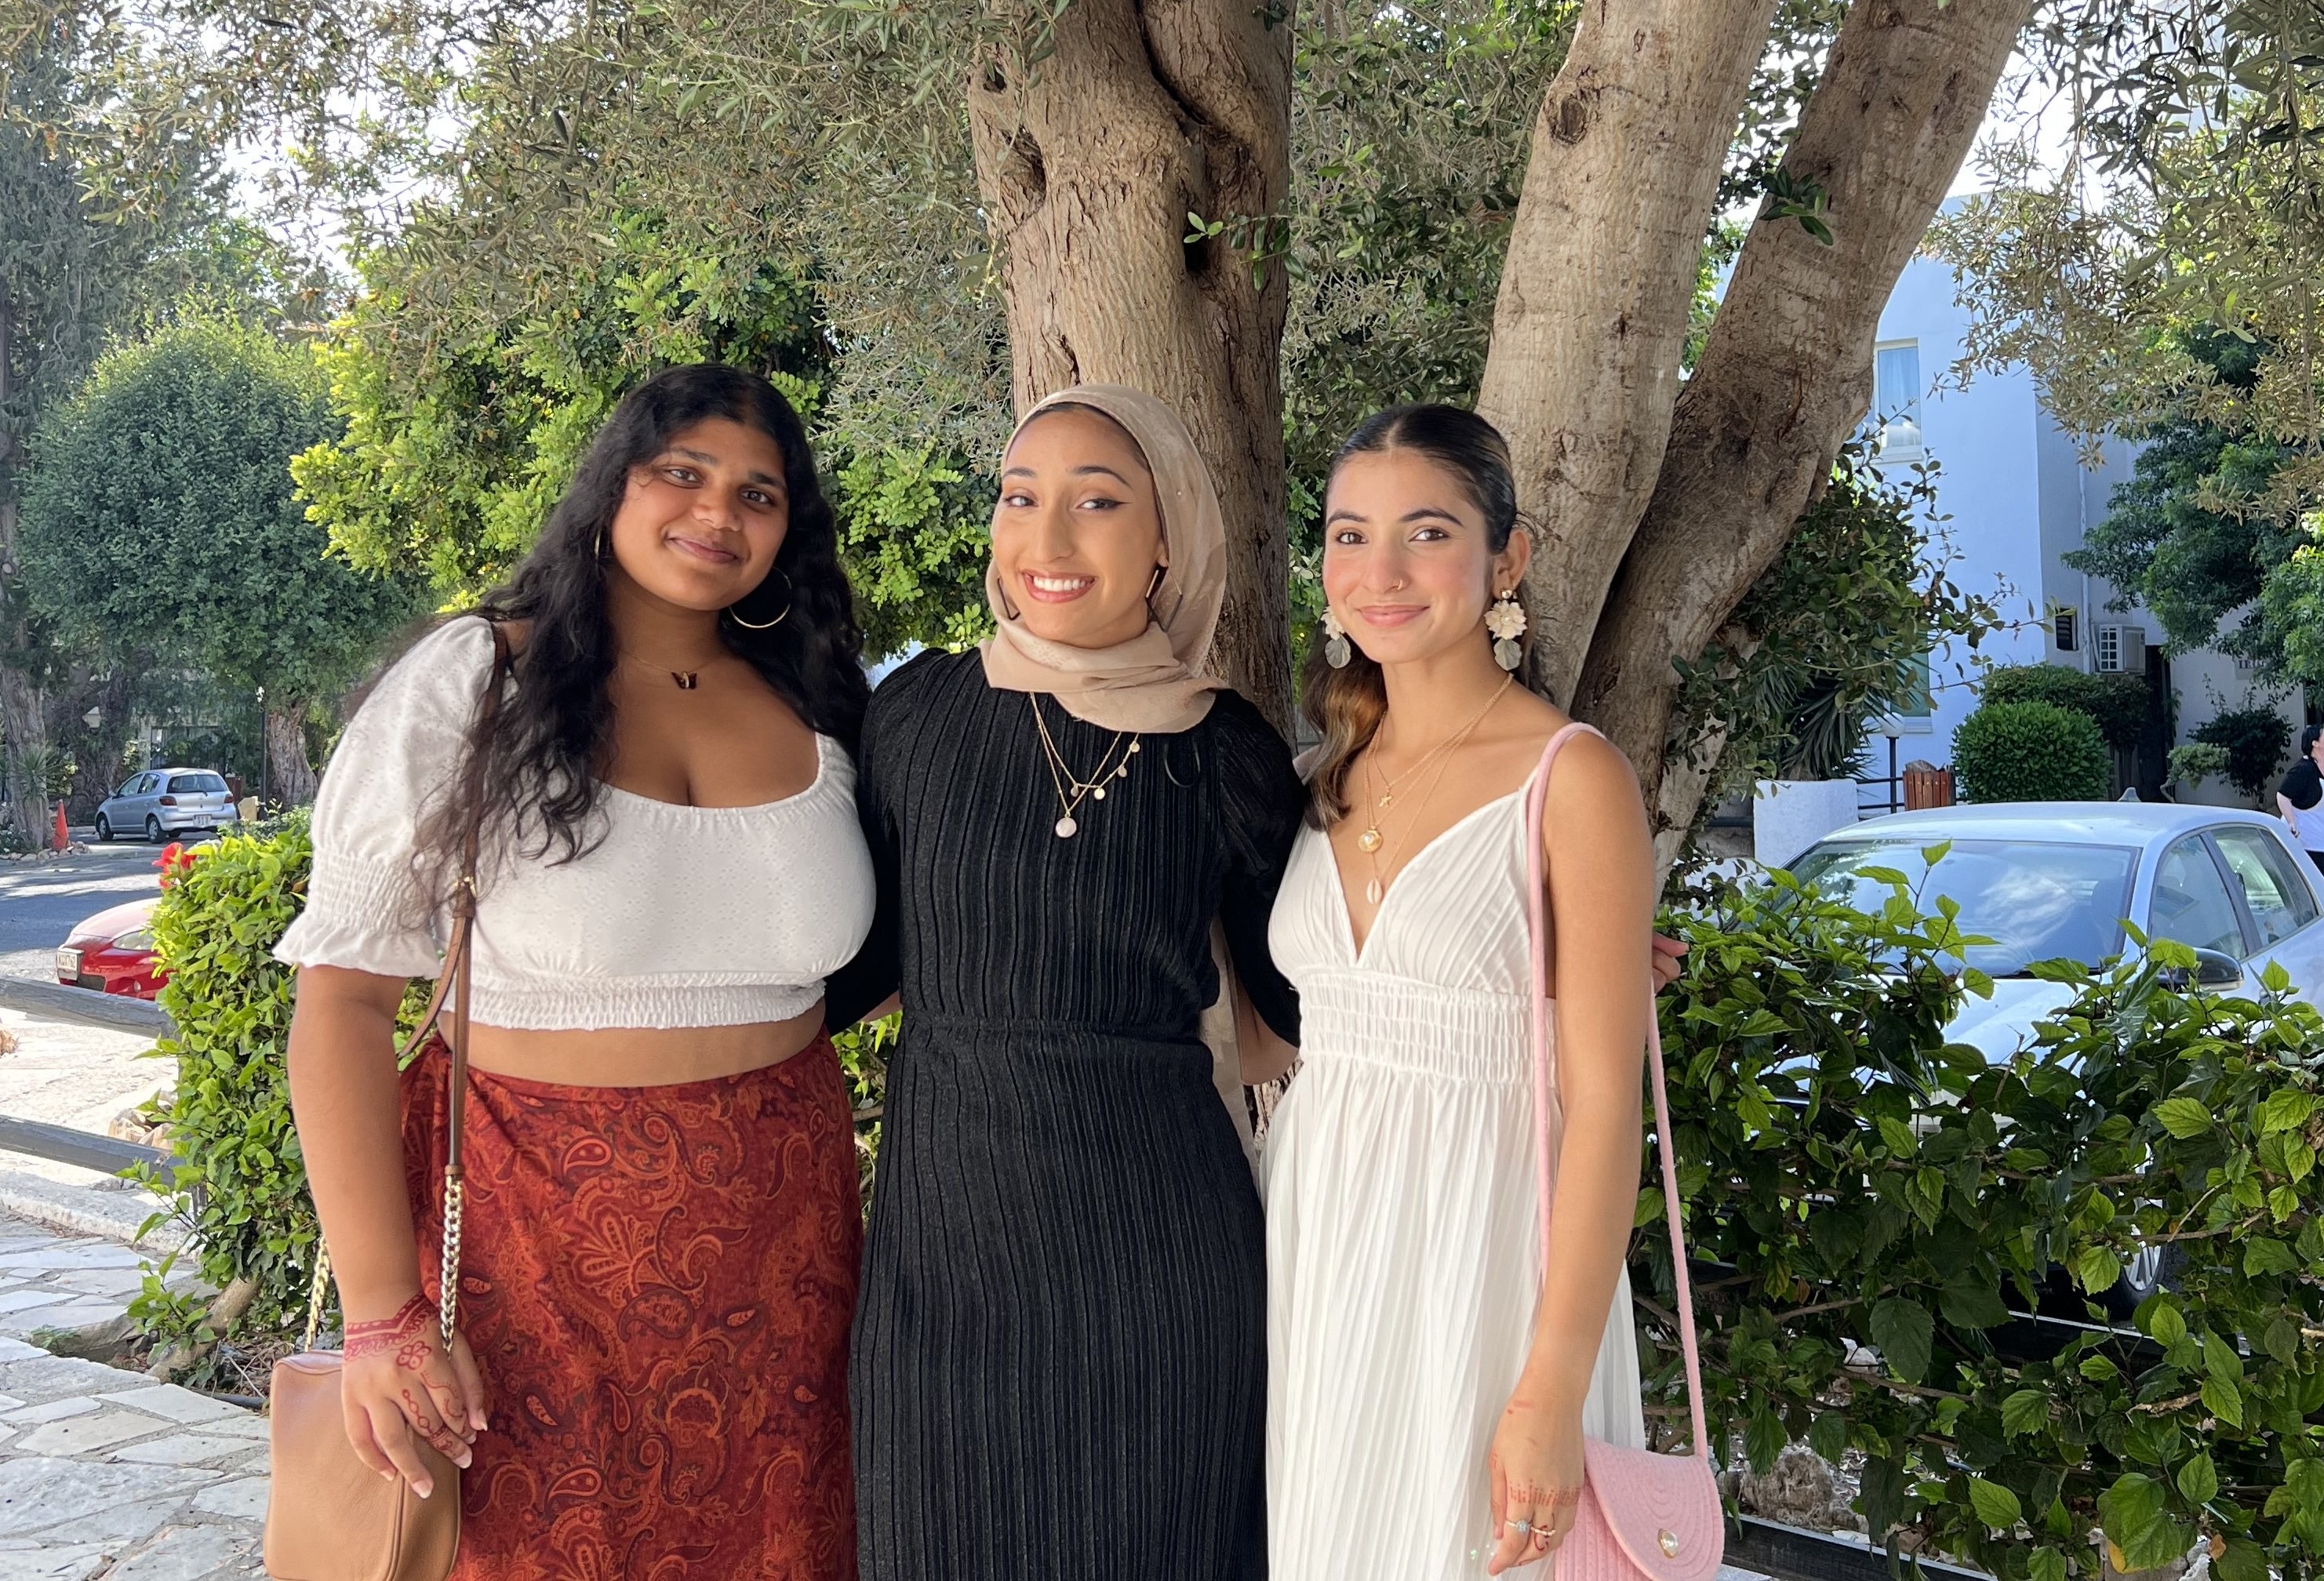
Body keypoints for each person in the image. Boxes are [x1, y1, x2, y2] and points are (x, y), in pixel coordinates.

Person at [278, 364, 874, 1579]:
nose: (719, 513)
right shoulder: (475, 681)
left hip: (787, 1265)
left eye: (759, 494)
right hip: (529, 1256)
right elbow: (341, 1004)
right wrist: (384, 1315)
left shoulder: (819, 706)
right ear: (614, 484)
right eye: (684, 474)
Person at [824, 386, 1302, 1580]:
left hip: (1159, 1262)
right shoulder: (915, 715)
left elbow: (1313, 997)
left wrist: (1550, 951)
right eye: (1020, 498)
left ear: (1166, 542)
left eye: (1098, 503)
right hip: (945, 1261)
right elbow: (851, 966)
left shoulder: (1223, 749)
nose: (1048, 540)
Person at [1263, 405, 1655, 1579]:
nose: (1377, 573)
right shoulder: (1313, 779)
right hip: (1318, 1250)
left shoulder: (1570, 778)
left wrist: (1550, 1389)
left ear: (1507, 557)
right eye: (1347, 534)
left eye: (1425, 532)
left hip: (1485, 1260)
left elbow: (1601, 1110)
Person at [2279, 724, 2324, 893]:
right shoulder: (2303, 770)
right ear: (2315, 743)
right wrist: (2292, 822)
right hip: (2309, 842)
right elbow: (2283, 796)